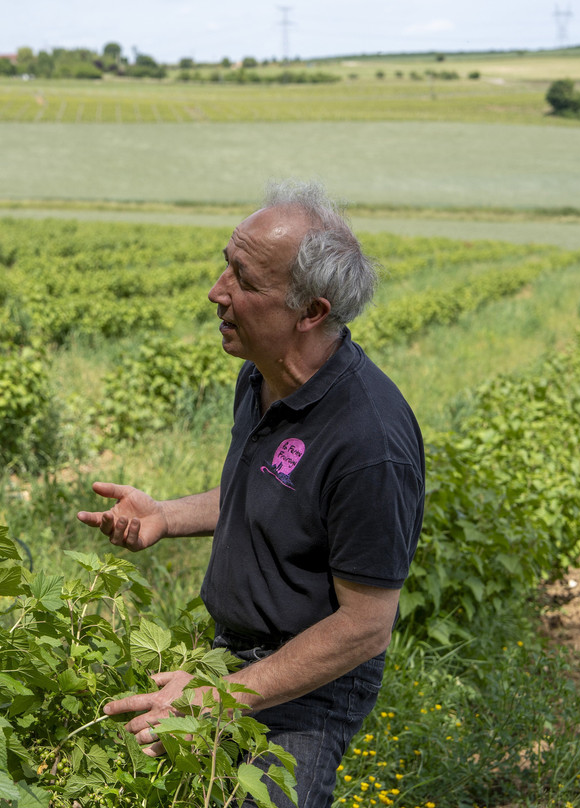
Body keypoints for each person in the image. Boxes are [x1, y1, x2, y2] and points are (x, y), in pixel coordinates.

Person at [77, 180, 425, 808]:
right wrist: (164, 515)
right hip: (229, 654)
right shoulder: (261, 378)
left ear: (311, 311)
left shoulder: (370, 442)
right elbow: (263, 492)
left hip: (309, 684)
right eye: (225, 266)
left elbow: (364, 628)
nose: (218, 291)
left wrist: (215, 699)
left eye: (244, 280)